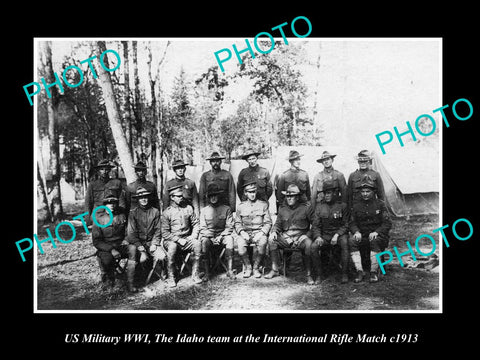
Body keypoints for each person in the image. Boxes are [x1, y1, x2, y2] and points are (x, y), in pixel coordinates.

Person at [266, 184, 315, 284]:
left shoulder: (306, 208)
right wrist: (274, 231)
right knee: (271, 240)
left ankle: (308, 274)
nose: (289, 198)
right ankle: (275, 269)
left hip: (301, 238)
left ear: (297, 197)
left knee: (309, 244)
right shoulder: (282, 209)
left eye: (291, 196)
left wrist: (307, 235)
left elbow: (315, 225)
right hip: (286, 238)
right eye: (287, 196)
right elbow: (278, 224)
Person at [349, 179, 392, 283]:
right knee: (351, 241)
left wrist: (377, 232)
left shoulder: (380, 204)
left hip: (379, 235)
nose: (365, 194)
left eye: (367, 191)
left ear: (373, 192)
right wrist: (356, 232)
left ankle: (373, 272)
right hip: (363, 235)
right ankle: (360, 271)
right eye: (363, 192)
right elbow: (352, 223)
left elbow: (387, 223)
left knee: (374, 240)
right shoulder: (356, 206)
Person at [126, 187, 166, 292]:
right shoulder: (133, 213)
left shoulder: (155, 211)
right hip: (137, 243)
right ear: (138, 199)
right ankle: (135, 281)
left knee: (162, 256)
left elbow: (158, 230)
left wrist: (155, 243)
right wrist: (141, 248)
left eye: (146, 197)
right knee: (141, 258)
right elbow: (131, 234)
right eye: (141, 198)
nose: (144, 200)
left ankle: (161, 276)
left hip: (151, 242)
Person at [161, 184, 201, 286]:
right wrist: (178, 240)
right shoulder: (167, 213)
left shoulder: (188, 208)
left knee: (197, 244)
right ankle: (171, 277)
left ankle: (195, 274)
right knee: (173, 247)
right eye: (178, 196)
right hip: (172, 240)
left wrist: (193, 236)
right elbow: (165, 233)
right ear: (172, 197)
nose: (181, 198)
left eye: (181, 195)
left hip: (187, 238)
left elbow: (196, 224)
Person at [311, 181, 350, 284]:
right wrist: (318, 237)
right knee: (314, 247)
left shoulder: (343, 206)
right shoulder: (319, 207)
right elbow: (316, 225)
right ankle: (319, 274)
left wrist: (337, 235)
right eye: (325, 193)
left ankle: (344, 273)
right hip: (325, 235)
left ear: (335, 193)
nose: (326, 196)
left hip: (339, 234)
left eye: (329, 193)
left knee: (345, 243)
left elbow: (346, 224)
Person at [91, 191, 129, 290]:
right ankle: (109, 280)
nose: (111, 205)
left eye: (114, 203)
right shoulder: (99, 220)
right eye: (108, 203)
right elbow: (96, 241)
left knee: (135, 251)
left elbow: (128, 232)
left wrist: (126, 240)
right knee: (106, 259)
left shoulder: (122, 216)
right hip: (106, 248)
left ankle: (132, 278)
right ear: (104, 205)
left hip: (121, 245)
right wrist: (111, 249)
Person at [234, 181, 272, 278]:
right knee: (240, 245)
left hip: (259, 233)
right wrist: (242, 232)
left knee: (263, 242)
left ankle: (256, 267)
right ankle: (248, 267)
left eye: (254, 192)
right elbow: (237, 223)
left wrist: (261, 233)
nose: (252, 194)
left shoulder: (263, 205)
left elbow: (268, 223)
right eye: (249, 192)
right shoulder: (241, 207)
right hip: (245, 233)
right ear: (245, 193)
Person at [199, 183, 235, 279]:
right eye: (211, 196)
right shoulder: (204, 211)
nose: (213, 198)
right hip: (209, 236)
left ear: (219, 196)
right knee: (204, 242)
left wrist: (221, 236)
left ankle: (229, 270)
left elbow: (229, 226)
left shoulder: (226, 209)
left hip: (222, 235)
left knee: (230, 240)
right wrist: (211, 236)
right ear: (208, 197)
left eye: (215, 195)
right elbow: (202, 227)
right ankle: (207, 272)